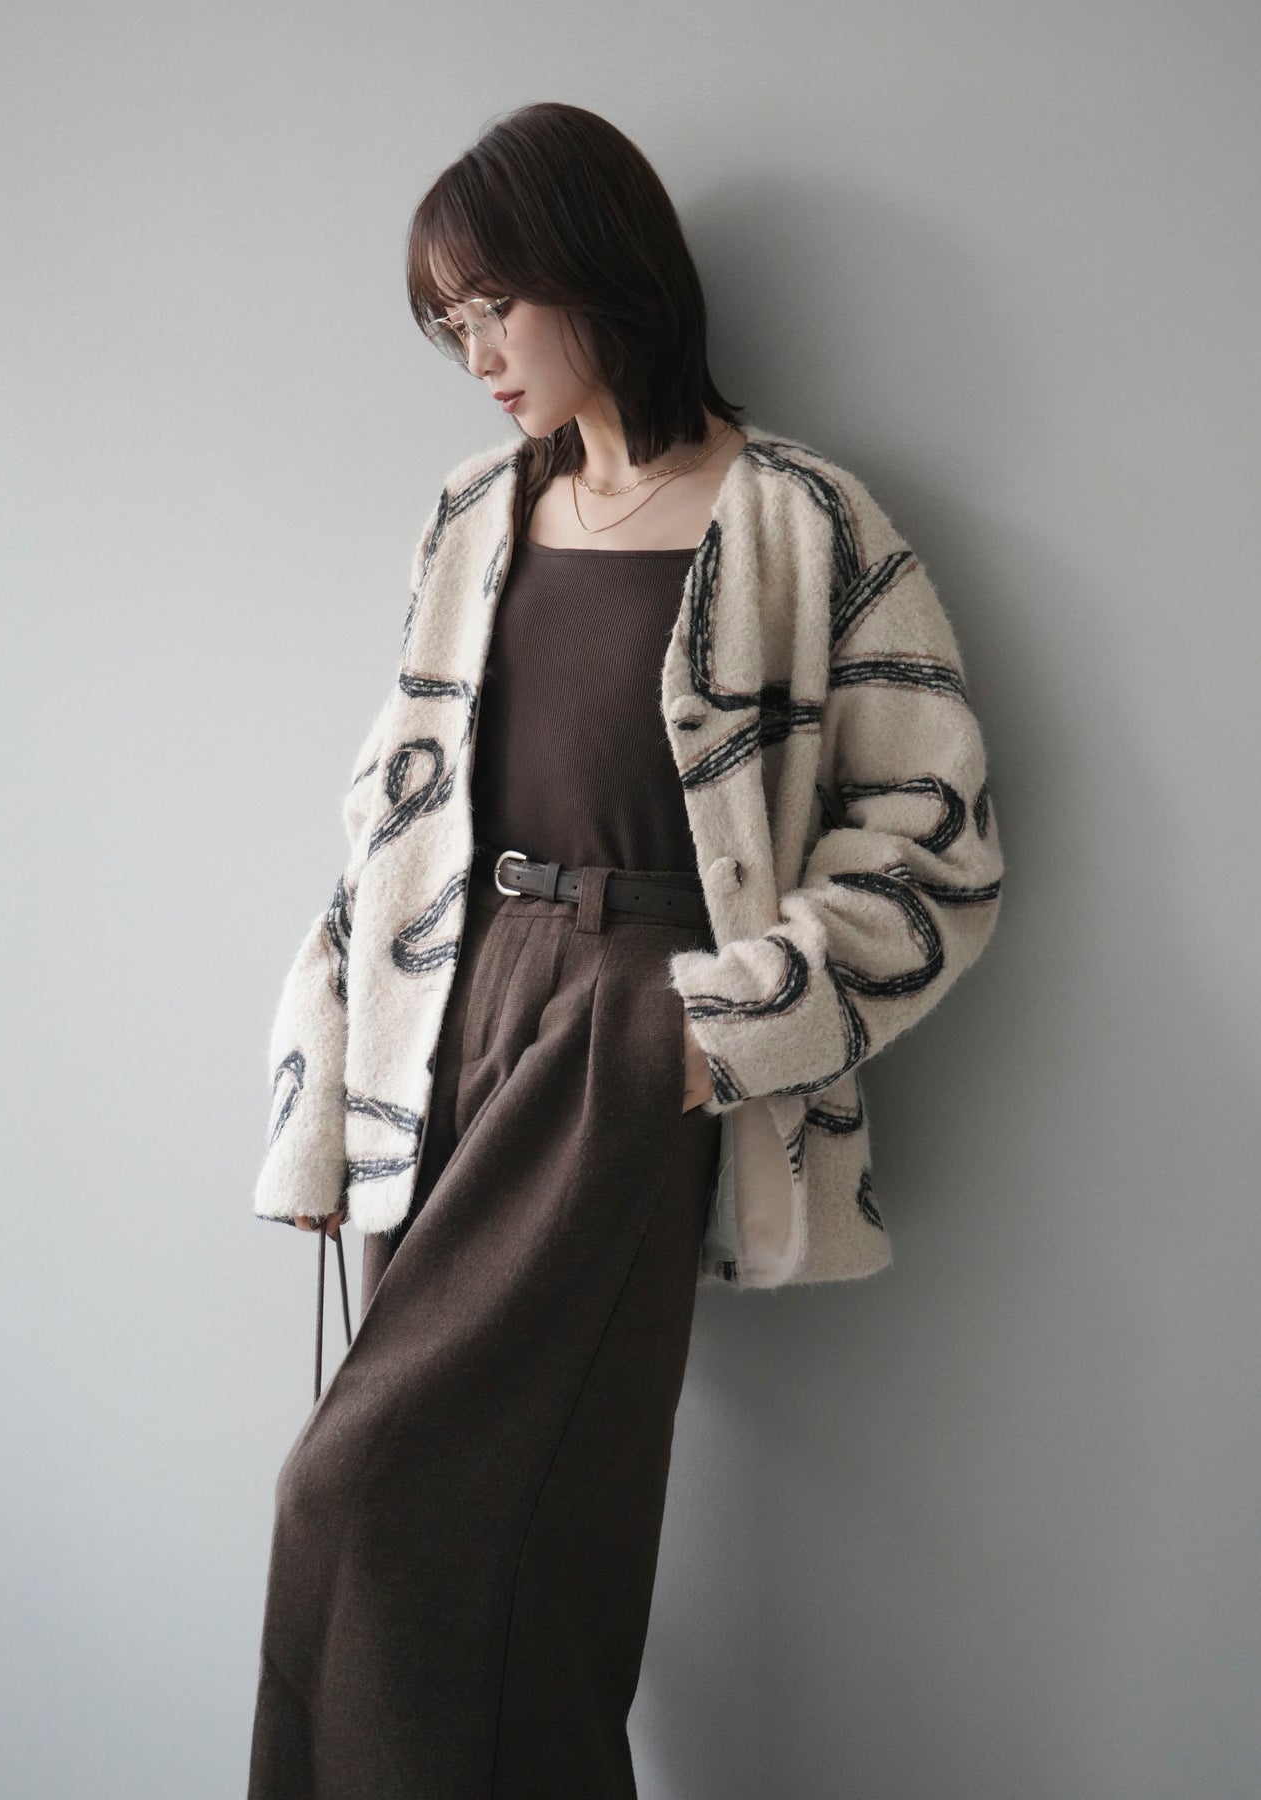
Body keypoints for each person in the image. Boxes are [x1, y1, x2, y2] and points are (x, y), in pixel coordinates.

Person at [246, 101, 1003, 1800]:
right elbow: (391, 820)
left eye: (492, 309)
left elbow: (932, 850)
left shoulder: (800, 520)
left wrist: (707, 1034)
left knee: (363, 1494)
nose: (475, 358)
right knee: (513, 1569)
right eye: (447, 326)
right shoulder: (473, 512)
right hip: (445, 1013)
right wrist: (327, 1096)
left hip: (627, 1025)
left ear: (599, 272)